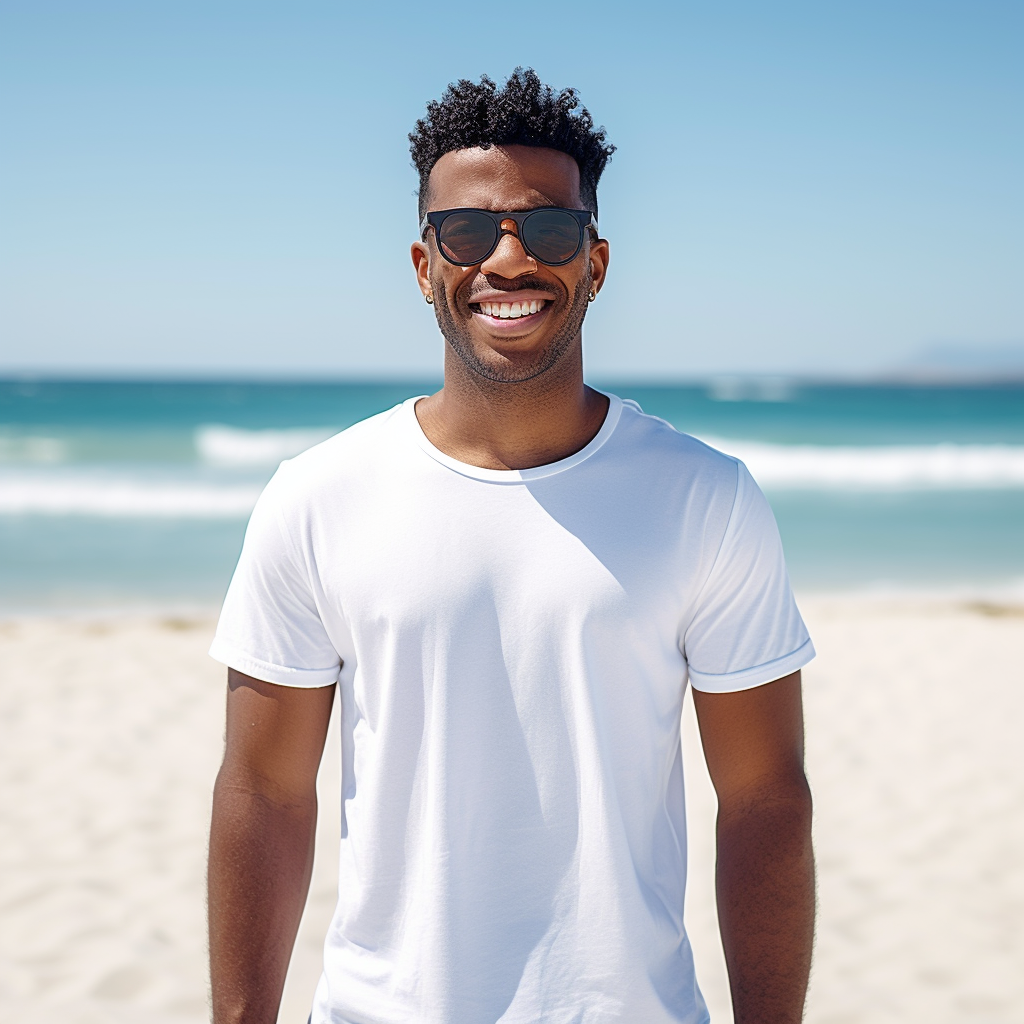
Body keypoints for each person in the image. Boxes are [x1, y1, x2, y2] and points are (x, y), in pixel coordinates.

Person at [207, 68, 816, 1024]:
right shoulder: (317, 498)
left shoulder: (706, 499)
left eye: (548, 230)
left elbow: (765, 800)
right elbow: (265, 792)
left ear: (596, 264)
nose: (507, 259)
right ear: (424, 265)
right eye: (466, 231)